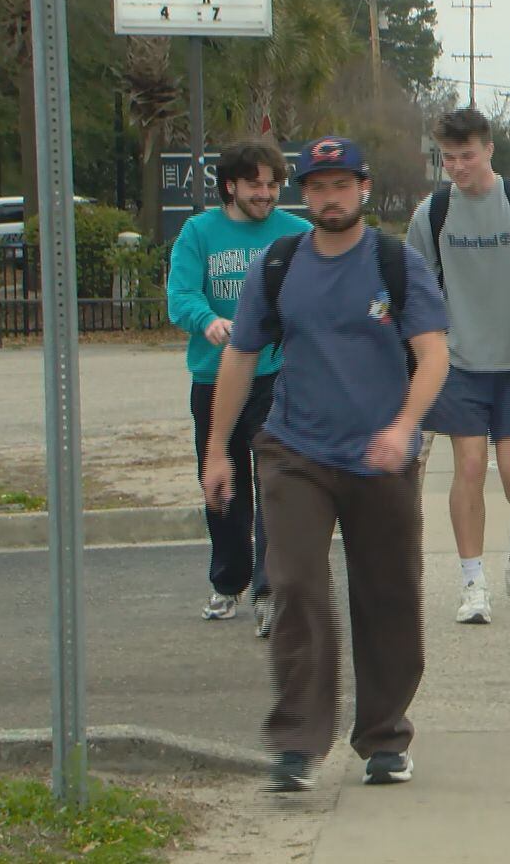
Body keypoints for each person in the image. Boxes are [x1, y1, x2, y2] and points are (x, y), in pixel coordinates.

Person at [202, 136, 449, 792]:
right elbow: (240, 355)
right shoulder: (280, 264)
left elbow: (433, 356)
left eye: (341, 185)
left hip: (381, 456)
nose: (330, 197)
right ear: (302, 194)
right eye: (317, 187)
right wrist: (217, 450)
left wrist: (403, 428)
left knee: (388, 595)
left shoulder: (395, 262)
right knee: (297, 587)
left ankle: (384, 738)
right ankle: (297, 744)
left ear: (363, 188)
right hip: (294, 452)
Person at [407, 108, 510, 626]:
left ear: (488, 150)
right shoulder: (432, 213)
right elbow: (416, 287)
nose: (458, 167)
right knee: (470, 468)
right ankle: (472, 581)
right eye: (448, 158)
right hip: (459, 362)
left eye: (467, 155)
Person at [167, 141, 311, 635]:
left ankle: (269, 589)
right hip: (214, 377)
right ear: (230, 185)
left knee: (275, 483)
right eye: (256, 185)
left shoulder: (297, 233)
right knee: (221, 483)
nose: (267, 194)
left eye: (273, 184)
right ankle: (227, 581)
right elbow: (180, 295)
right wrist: (206, 320)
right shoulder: (198, 232)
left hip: (276, 376)